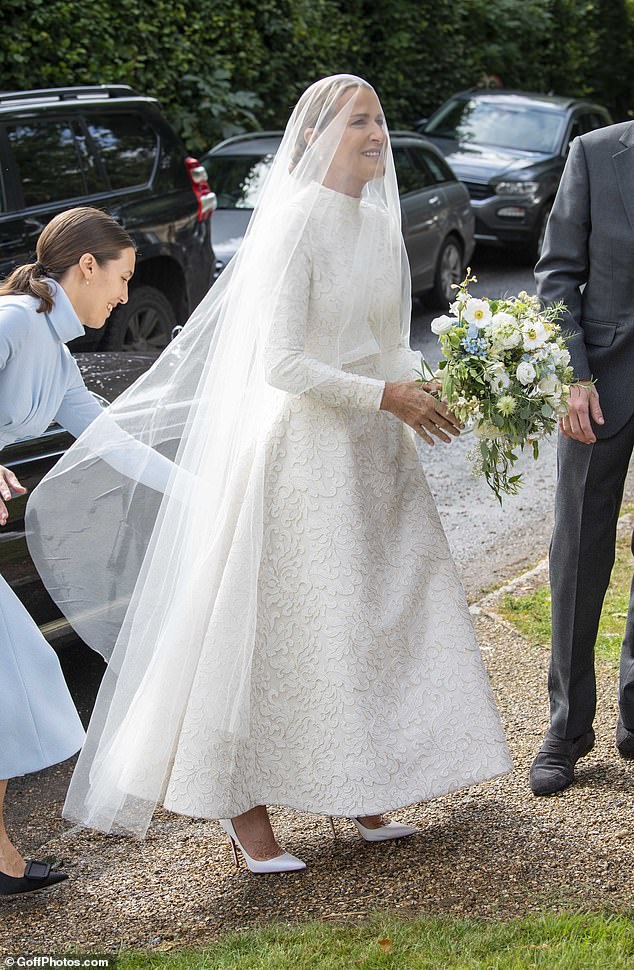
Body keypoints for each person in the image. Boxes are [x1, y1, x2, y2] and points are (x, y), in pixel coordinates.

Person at [28, 76, 512, 873]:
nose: (378, 134)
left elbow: (388, 343)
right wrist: (383, 394)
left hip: (374, 453)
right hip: (308, 455)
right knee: (281, 633)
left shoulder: (377, 224)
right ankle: (244, 812)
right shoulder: (294, 228)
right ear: (320, 137)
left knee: (369, 623)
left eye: (381, 119)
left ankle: (363, 777)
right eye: (361, 121)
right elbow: (282, 362)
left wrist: (441, 383)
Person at [0, 207, 136, 894]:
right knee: (13, 677)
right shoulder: (15, 322)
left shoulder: (54, 358)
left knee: (13, 684)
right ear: (87, 266)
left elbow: (113, 441)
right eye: (122, 276)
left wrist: (208, 493)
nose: (124, 296)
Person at [531, 119, 634, 795]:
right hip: (599, 383)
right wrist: (572, 375)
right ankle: (567, 729)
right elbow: (557, 274)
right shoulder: (595, 154)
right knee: (578, 553)